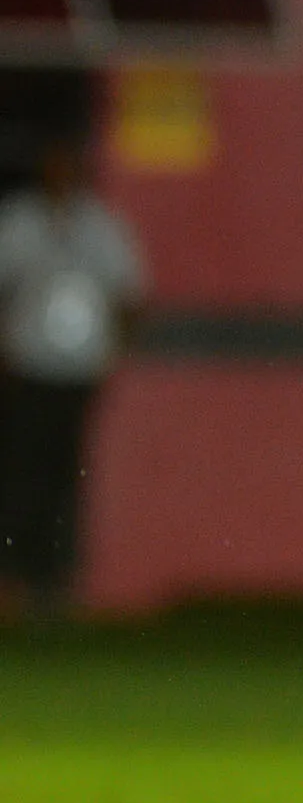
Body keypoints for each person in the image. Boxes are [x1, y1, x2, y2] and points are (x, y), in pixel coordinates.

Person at [0, 135, 145, 615]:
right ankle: (16, 579)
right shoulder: (20, 222)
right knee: (22, 473)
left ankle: (58, 582)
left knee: (68, 475)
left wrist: (112, 354)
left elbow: (129, 296)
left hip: (79, 372)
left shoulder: (101, 228)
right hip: (28, 369)